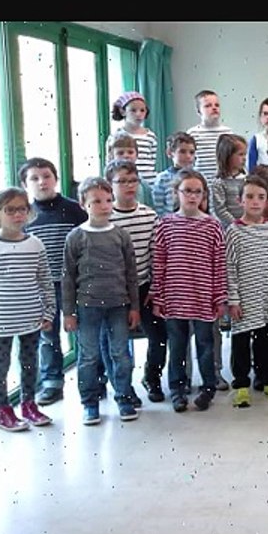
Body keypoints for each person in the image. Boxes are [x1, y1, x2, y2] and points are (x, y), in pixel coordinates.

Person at [63, 177, 141, 425]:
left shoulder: (120, 235)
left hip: (119, 306)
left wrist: (135, 307)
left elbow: (131, 273)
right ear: (83, 204)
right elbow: (68, 277)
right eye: (96, 201)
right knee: (88, 356)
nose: (104, 206)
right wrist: (68, 312)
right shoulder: (76, 237)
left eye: (108, 200)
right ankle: (90, 403)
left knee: (121, 354)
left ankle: (124, 398)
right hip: (87, 307)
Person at [149, 170, 227, 413]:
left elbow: (219, 264)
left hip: (203, 299)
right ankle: (178, 390)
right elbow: (158, 263)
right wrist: (157, 297)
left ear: (204, 195)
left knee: (205, 345)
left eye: (197, 192)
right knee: (178, 346)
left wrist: (220, 297)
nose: (192, 196)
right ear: (176, 193)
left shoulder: (212, 226)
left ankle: (207, 388)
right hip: (174, 300)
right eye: (187, 191)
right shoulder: (164, 225)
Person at [21, 157, 88, 406]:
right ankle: (52, 383)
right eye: (35, 178)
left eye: (46, 176)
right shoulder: (25, 215)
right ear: (26, 184)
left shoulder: (74, 209)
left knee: (84, 333)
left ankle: (91, 382)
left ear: (56, 178)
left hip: (74, 283)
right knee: (47, 335)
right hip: (41, 286)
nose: (42, 182)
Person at [0, 188, 56, 432]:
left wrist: (48, 311)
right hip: (1, 321)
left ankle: (28, 404)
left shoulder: (35, 244)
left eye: (22, 209)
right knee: (0, 367)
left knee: (30, 362)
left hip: (32, 318)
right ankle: (2, 409)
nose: (17, 215)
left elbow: (45, 280)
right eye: (10, 210)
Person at [105, 160, 167, 404]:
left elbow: (155, 254)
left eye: (133, 180)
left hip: (144, 287)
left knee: (159, 337)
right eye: (122, 181)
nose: (129, 186)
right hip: (116, 290)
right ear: (111, 185)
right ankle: (124, 389)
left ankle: (152, 377)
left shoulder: (149, 215)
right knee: (117, 343)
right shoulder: (107, 217)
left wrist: (155, 287)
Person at [226, 175, 268, 407]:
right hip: (244, 298)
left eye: (260, 197)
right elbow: (229, 267)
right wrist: (233, 300)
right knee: (241, 342)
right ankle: (241, 385)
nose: (255, 202)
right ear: (240, 200)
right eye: (250, 197)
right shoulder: (234, 232)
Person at [106, 91, 158, 187]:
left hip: (148, 184)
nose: (138, 114)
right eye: (133, 110)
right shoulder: (115, 136)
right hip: (125, 183)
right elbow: (109, 164)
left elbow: (152, 164)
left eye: (142, 110)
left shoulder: (151, 136)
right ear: (123, 111)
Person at [187, 89, 234, 184]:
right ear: (198, 111)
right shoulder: (192, 133)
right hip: (201, 184)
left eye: (217, 105)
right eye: (208, 106)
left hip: (223, 183)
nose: (214, 108)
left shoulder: (228, 133)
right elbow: (189, 162)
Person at [152, 132, 196, 217]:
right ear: (170, 153)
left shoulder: (197, 178)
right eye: (182, 152)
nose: (188, 156)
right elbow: (158, 208)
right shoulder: (162, 178)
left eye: (191, 152)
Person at [211, 133, 249, 227]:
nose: (244, 158)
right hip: (229, 229)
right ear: (227, 155)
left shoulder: (246, 179)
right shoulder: (219, 183)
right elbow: (220, 210)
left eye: (245, 154)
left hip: (247, 225)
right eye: (240, 154)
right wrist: (236, 224)